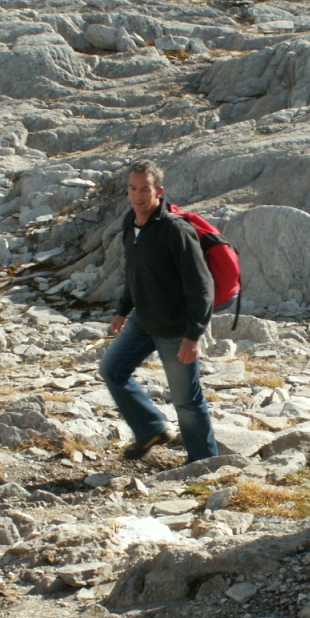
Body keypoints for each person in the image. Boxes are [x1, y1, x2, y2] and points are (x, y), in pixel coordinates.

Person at [98, 159, 219, 464]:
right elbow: (134, 272)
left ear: (159, 192)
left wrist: (193, 336)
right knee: (112, 370)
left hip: (176, 330)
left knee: (186, 401)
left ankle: (203, 464)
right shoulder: (131, 223)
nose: (137, 196)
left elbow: (202, 286)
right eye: (132, 189)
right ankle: (151, 429)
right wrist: (122, 310)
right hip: (143, 321)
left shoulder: (175, 230)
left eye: (145, 190)